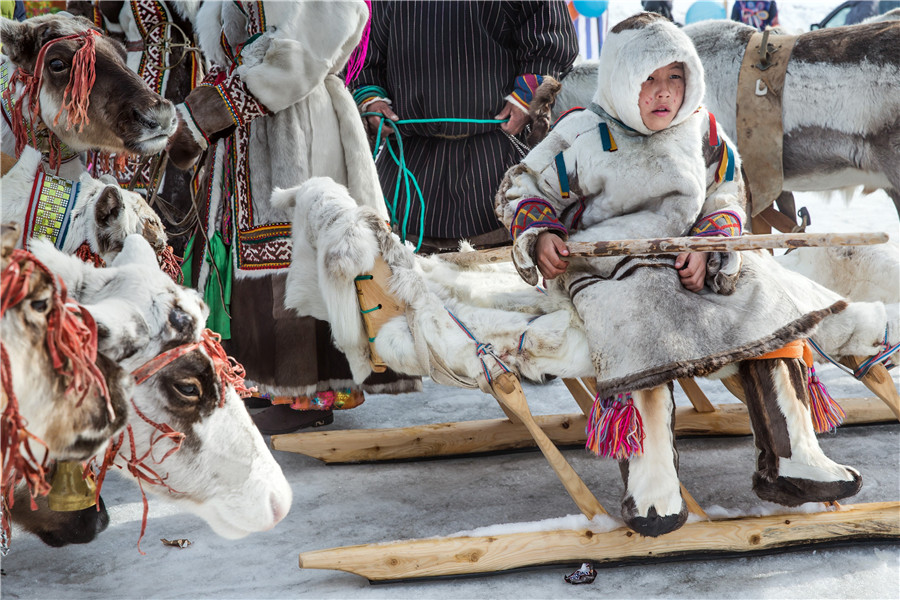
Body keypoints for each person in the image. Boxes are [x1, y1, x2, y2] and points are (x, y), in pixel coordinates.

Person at [495, 12, 860, 537]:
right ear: (622, 81)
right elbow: (522, 188)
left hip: (689, 257)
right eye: (649, 79)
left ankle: (793, 457)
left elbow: (726, 190)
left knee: (767, 297)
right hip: (609, 266)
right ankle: (652, 481)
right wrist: (542, 233)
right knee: (641, 323)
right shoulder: (582, 133)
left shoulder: (702, 129)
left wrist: (713, 239)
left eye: (675, 77)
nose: (665, 93)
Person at [166, 1, 418, 435]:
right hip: (247, 134)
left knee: (291, 252)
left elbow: (303, 51)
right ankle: (269, 384)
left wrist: (206, 114)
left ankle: (306, 394)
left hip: (295, 128)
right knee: (253, 254)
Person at [354, 0, 578, 254]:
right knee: (404, 281)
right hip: (407, 172)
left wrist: (529, 94)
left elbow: (549, 35)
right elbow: (360, 47)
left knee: (502, 286)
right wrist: (371, 97)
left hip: (496, 162)